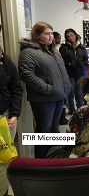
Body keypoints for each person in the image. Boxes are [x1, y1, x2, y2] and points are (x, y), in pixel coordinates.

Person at [18, 21, 71, 158]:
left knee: (55, 128)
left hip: (58, 96)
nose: (51, 36)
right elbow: (26, 74)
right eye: (46, 33)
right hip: (43, 99)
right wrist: (47, 89)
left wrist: (66, 88)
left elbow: (62, 71)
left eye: (51, 33)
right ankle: (41, 162)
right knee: (44, 130)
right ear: (37, 35)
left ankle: (54, 157)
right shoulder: (28, 52)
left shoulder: (53, 51)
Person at [0, 24, 23, 196]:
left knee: (4, 159)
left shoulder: (6, 61)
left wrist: (14, 114)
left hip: (6, 118)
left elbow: (16, 88)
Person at [59, 29, 88, 115]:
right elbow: (61, 60)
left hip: (80, 72)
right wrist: (69, 63)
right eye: (68, 37)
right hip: (69, 73)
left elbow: (86, 59)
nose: (71, 38)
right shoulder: (63, 48)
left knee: (79, 92)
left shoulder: (82, 47)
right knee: (70, 92)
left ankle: (80, 110)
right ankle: (72, 109)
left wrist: (83, 63)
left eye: (72, 35)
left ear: (75, 35)